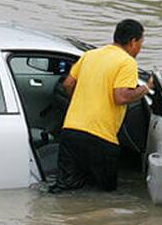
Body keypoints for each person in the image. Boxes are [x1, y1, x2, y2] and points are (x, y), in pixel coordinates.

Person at [49, 19, 153, 193]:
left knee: (65, 188)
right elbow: (120, 96)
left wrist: (79, 102)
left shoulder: (90, 55)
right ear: (133, 42)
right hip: (100, 138)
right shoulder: (127, 62)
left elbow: (67, 84)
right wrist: (146, 88)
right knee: (104, 194)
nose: (140, 48)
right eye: (141, 43)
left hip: (71, 131)